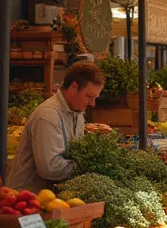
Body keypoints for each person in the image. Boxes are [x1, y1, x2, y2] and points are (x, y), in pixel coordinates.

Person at [7, 62, 104, 192]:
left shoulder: (77, 113)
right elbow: (49, 168)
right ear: (74, 87)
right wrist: (88, 167)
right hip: (26, 198)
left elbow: (77, 153)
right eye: (89, 96)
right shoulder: (48, 116)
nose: (92, 103)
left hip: (51, 197)